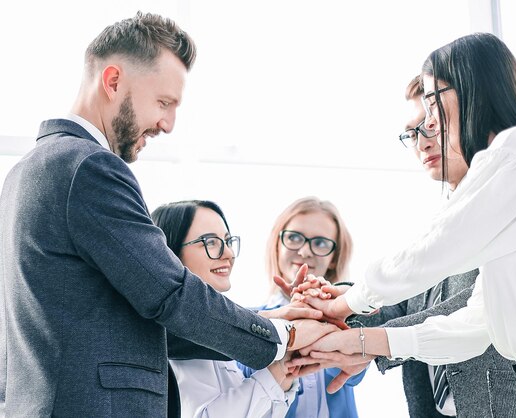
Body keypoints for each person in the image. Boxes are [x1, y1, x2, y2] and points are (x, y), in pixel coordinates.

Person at [0, 12, 332, 417]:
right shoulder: (89, 168)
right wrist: (286, 333)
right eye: (163, 102)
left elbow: (141, 327)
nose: (168, 124)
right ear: (113, 81)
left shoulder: (26, 171)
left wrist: (274, 320)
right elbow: (171, 294)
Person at [296, 33, 516, 417]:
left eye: (433, 99)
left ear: (469, 87)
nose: (430, 120)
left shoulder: (515, 152)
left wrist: (344, 304)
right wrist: (364, 341)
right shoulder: (509, 181)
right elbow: (473, 326)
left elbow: (431, 252)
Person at [152, 200, 308, 417]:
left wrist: (282, 375)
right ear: (170, 251)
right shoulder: (172, 337)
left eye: (227, 241)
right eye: (210, 242)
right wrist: (274, 375)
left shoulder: (225, 332)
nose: (228, 254)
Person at [243, 197, 366, 418]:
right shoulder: (251, 319)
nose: (304, 251)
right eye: (294, 238)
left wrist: (328, 314)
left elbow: (354, 374)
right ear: (277, 244)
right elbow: (246, 380)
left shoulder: (349, 318)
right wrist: (290, 319)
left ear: (334, 258)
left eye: (320, 243)